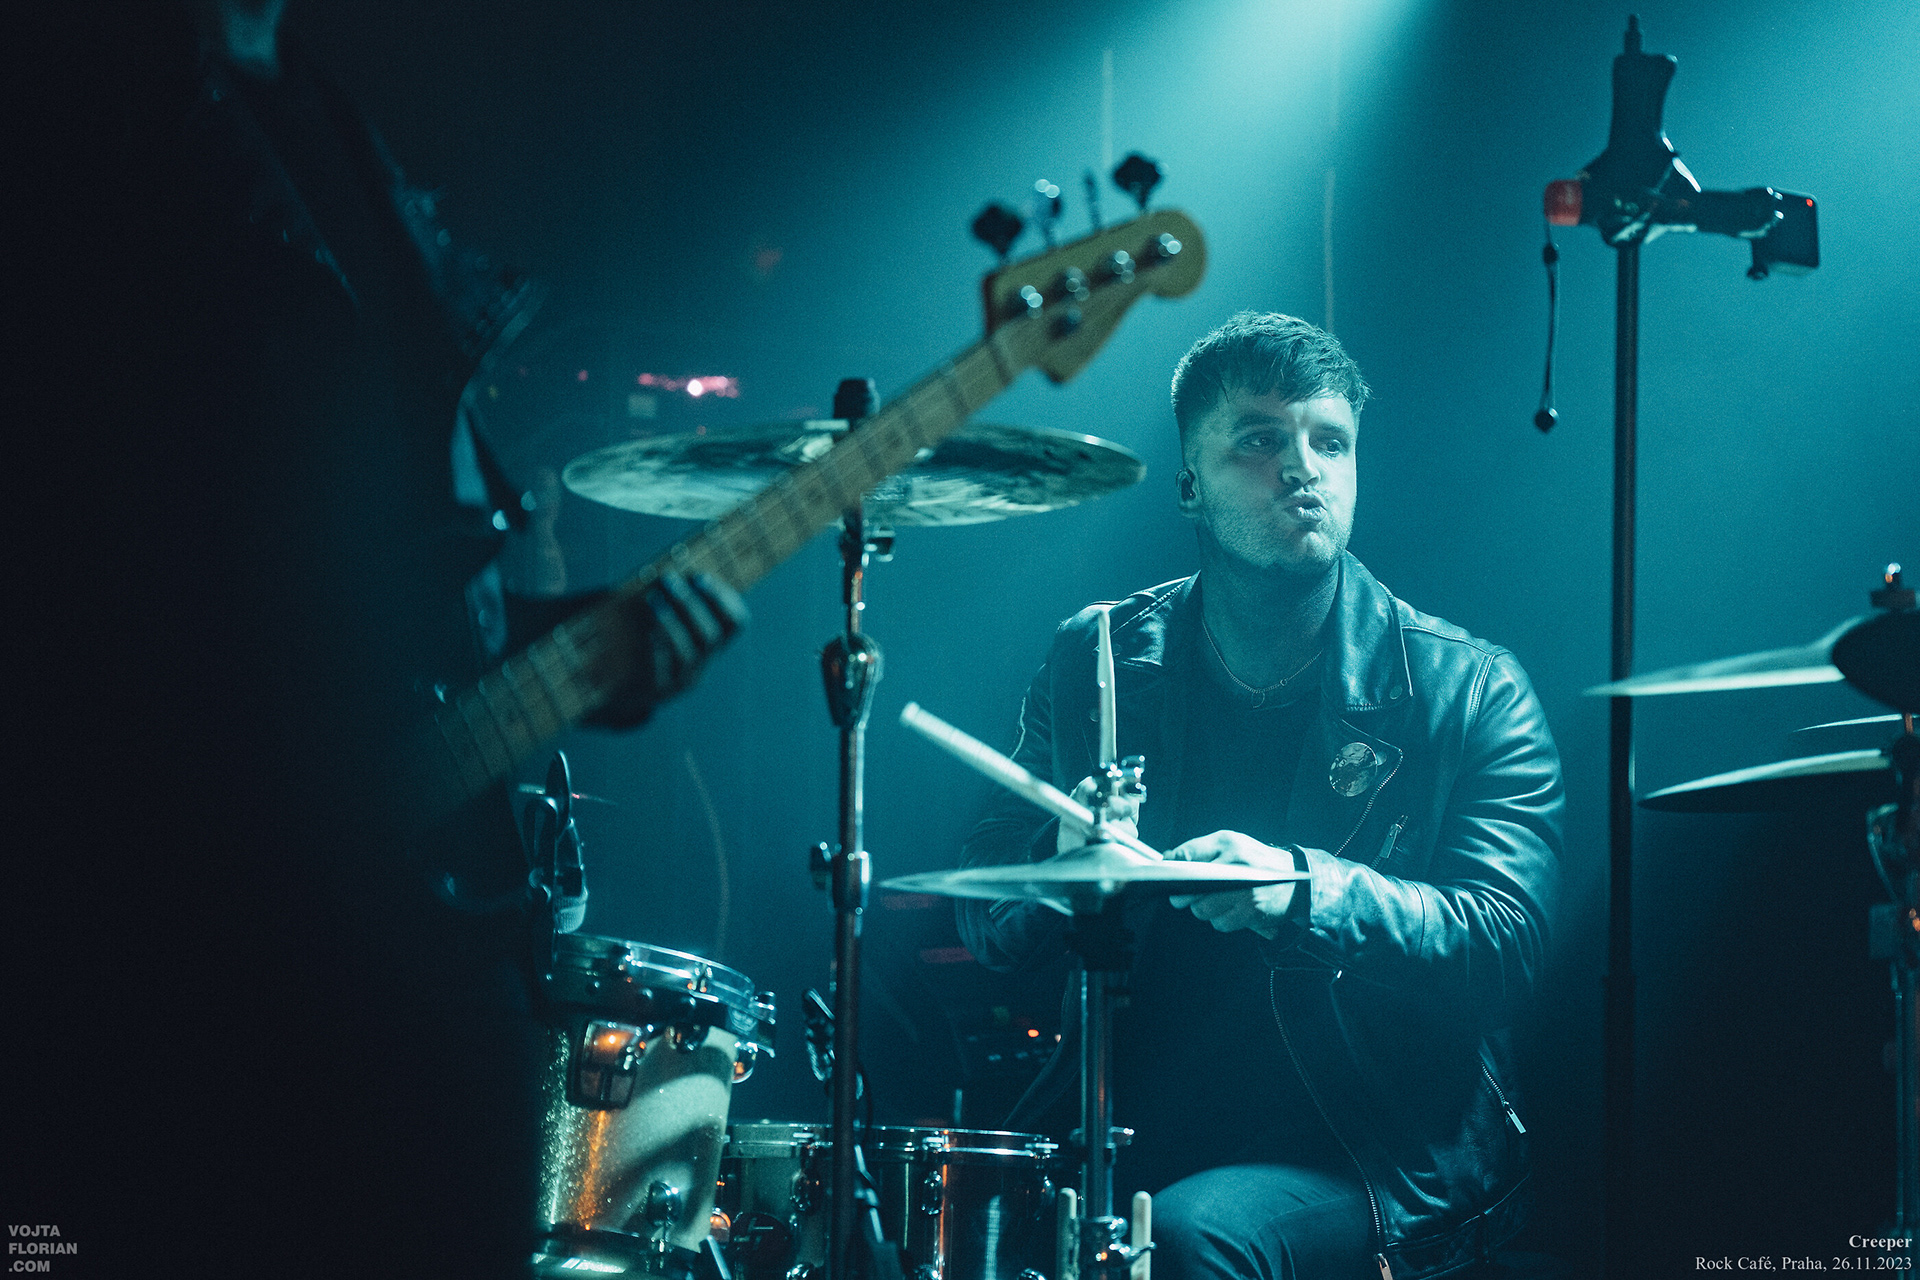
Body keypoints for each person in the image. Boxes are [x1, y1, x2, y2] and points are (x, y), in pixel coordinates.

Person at [8, 3, 740, 1275]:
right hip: (184, 982)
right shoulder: (86, 115)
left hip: (401, 962)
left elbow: (379, 586)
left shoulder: (312, 117)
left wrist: (570, 649)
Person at [956, 313, 1562, 1280]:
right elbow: (987, 913)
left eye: (1331, 442)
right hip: (1124, 1114)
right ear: (1189, 483)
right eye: (1259, 440)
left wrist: (1305, 890)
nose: (1302, 468)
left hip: (1368, 1145)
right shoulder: (1096, 658)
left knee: (1190, 1237)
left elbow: (1506, 946)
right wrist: (1059, 863)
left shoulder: (1469, 687)